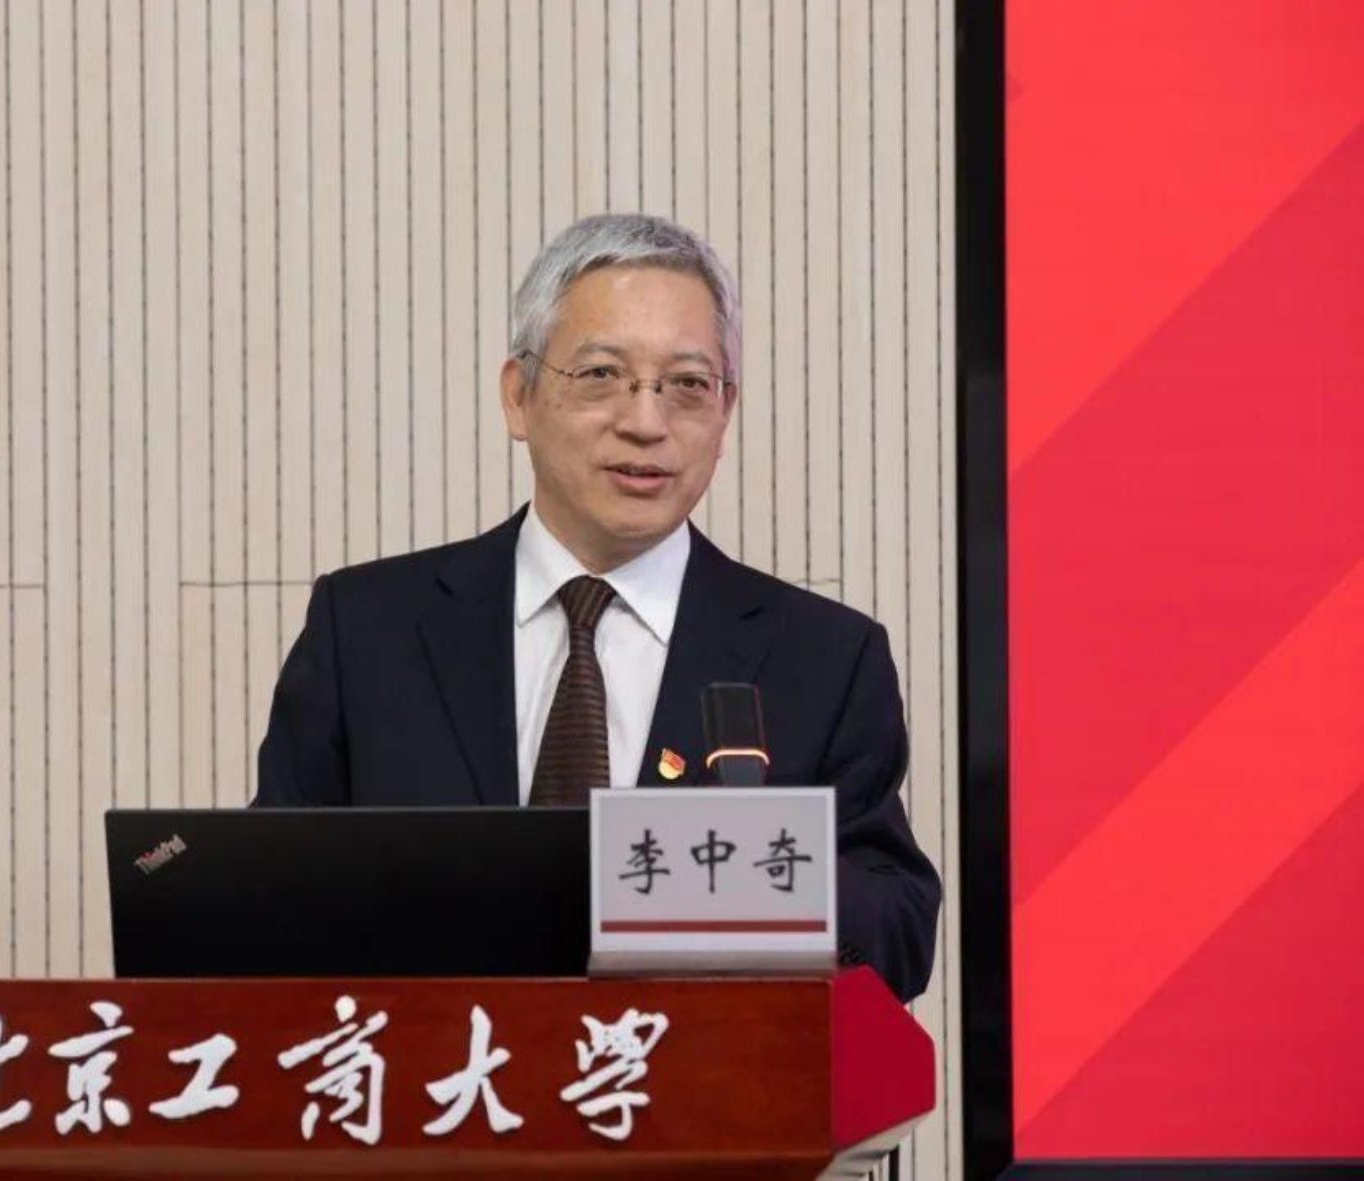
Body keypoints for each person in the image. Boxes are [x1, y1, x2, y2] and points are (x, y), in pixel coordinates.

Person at [254, 213, 940, 1002]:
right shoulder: (366, 629)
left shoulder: (823, 657)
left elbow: (898, 937)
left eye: (688, 385)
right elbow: (268, 897)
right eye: (602, 374)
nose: (645, 422)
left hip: (699, 1076)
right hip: (439, 1073)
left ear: (724, 414)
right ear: (519, 397)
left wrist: (752, 864)